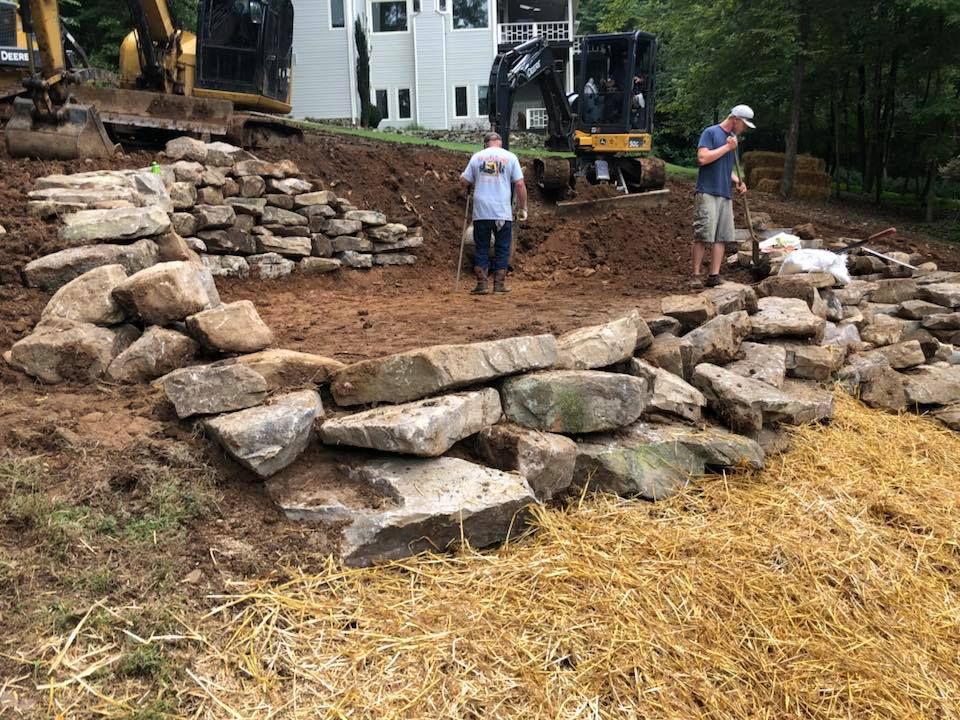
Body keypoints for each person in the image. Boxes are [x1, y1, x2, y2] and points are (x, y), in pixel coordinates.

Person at [690, 104, 755, 288]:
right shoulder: (711, 133)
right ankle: (695, 276)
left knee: (721, 237)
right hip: (708, 191)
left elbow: (726, 168)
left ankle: (714, 276)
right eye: (743, 124)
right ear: (734, 119)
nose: (744, 129)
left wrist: (737, 181)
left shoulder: (733, 139)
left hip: (725, 193)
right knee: (703, 234)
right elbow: (703, 159)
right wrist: (727, 147)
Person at [460, 131, 528, 294]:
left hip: (481, 211)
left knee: (482, 246)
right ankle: (499, 285)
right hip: (502, 211)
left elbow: (463, 180)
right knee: (502, 247)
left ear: (485, 144)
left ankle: (482, 284)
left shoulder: (477, 157)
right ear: (500, 142)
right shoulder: (510, 157)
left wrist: (469, 182)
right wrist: (523, 207)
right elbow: (519, 184)